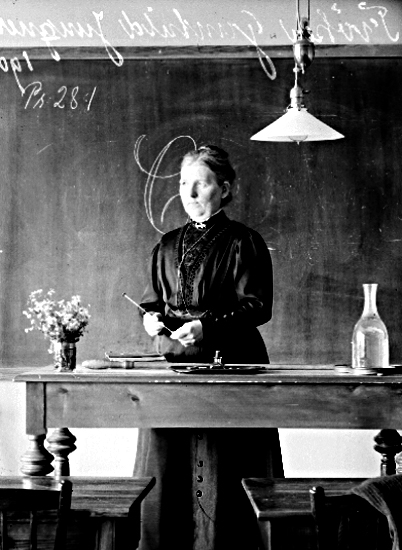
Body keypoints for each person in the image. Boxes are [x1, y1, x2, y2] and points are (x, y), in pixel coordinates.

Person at [135, 145, 283, 550]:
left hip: (231, 363)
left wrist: (207, 328)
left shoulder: (244, 242)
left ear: (225, 189)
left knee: (230, 468)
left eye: (201, 184)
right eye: (184, 183)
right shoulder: (167, 245)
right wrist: (151, 319)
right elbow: (152, 302)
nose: (189, 193)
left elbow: (257, 306)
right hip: (174, 368)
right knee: (167, 468)